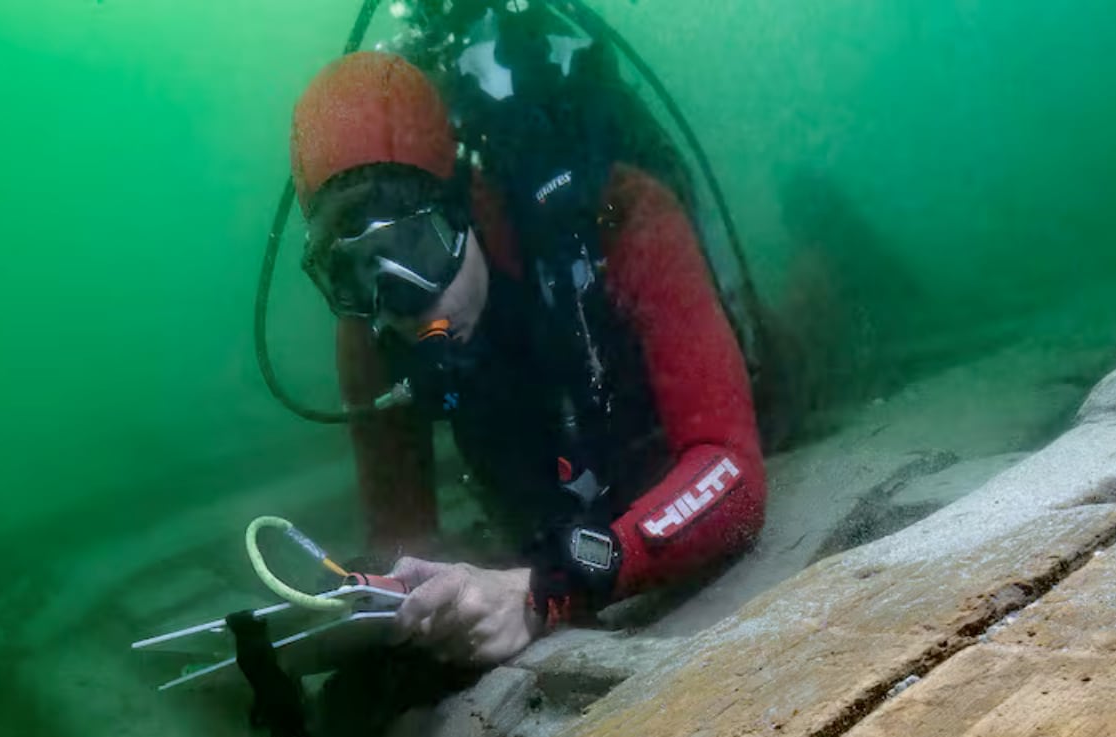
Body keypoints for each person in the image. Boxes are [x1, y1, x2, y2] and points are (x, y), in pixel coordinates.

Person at [287, 46, 766, 669]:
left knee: (789, 361)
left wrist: (550, 589)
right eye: (349, 273)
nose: (398, 304)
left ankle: (830, 252)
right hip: (562, 496)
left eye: (414, 250)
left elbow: (733, 475)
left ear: (462, 204)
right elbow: (401, 538)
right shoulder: (371, 331)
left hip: (670, 438)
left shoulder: (617, 215)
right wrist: (383, 601)